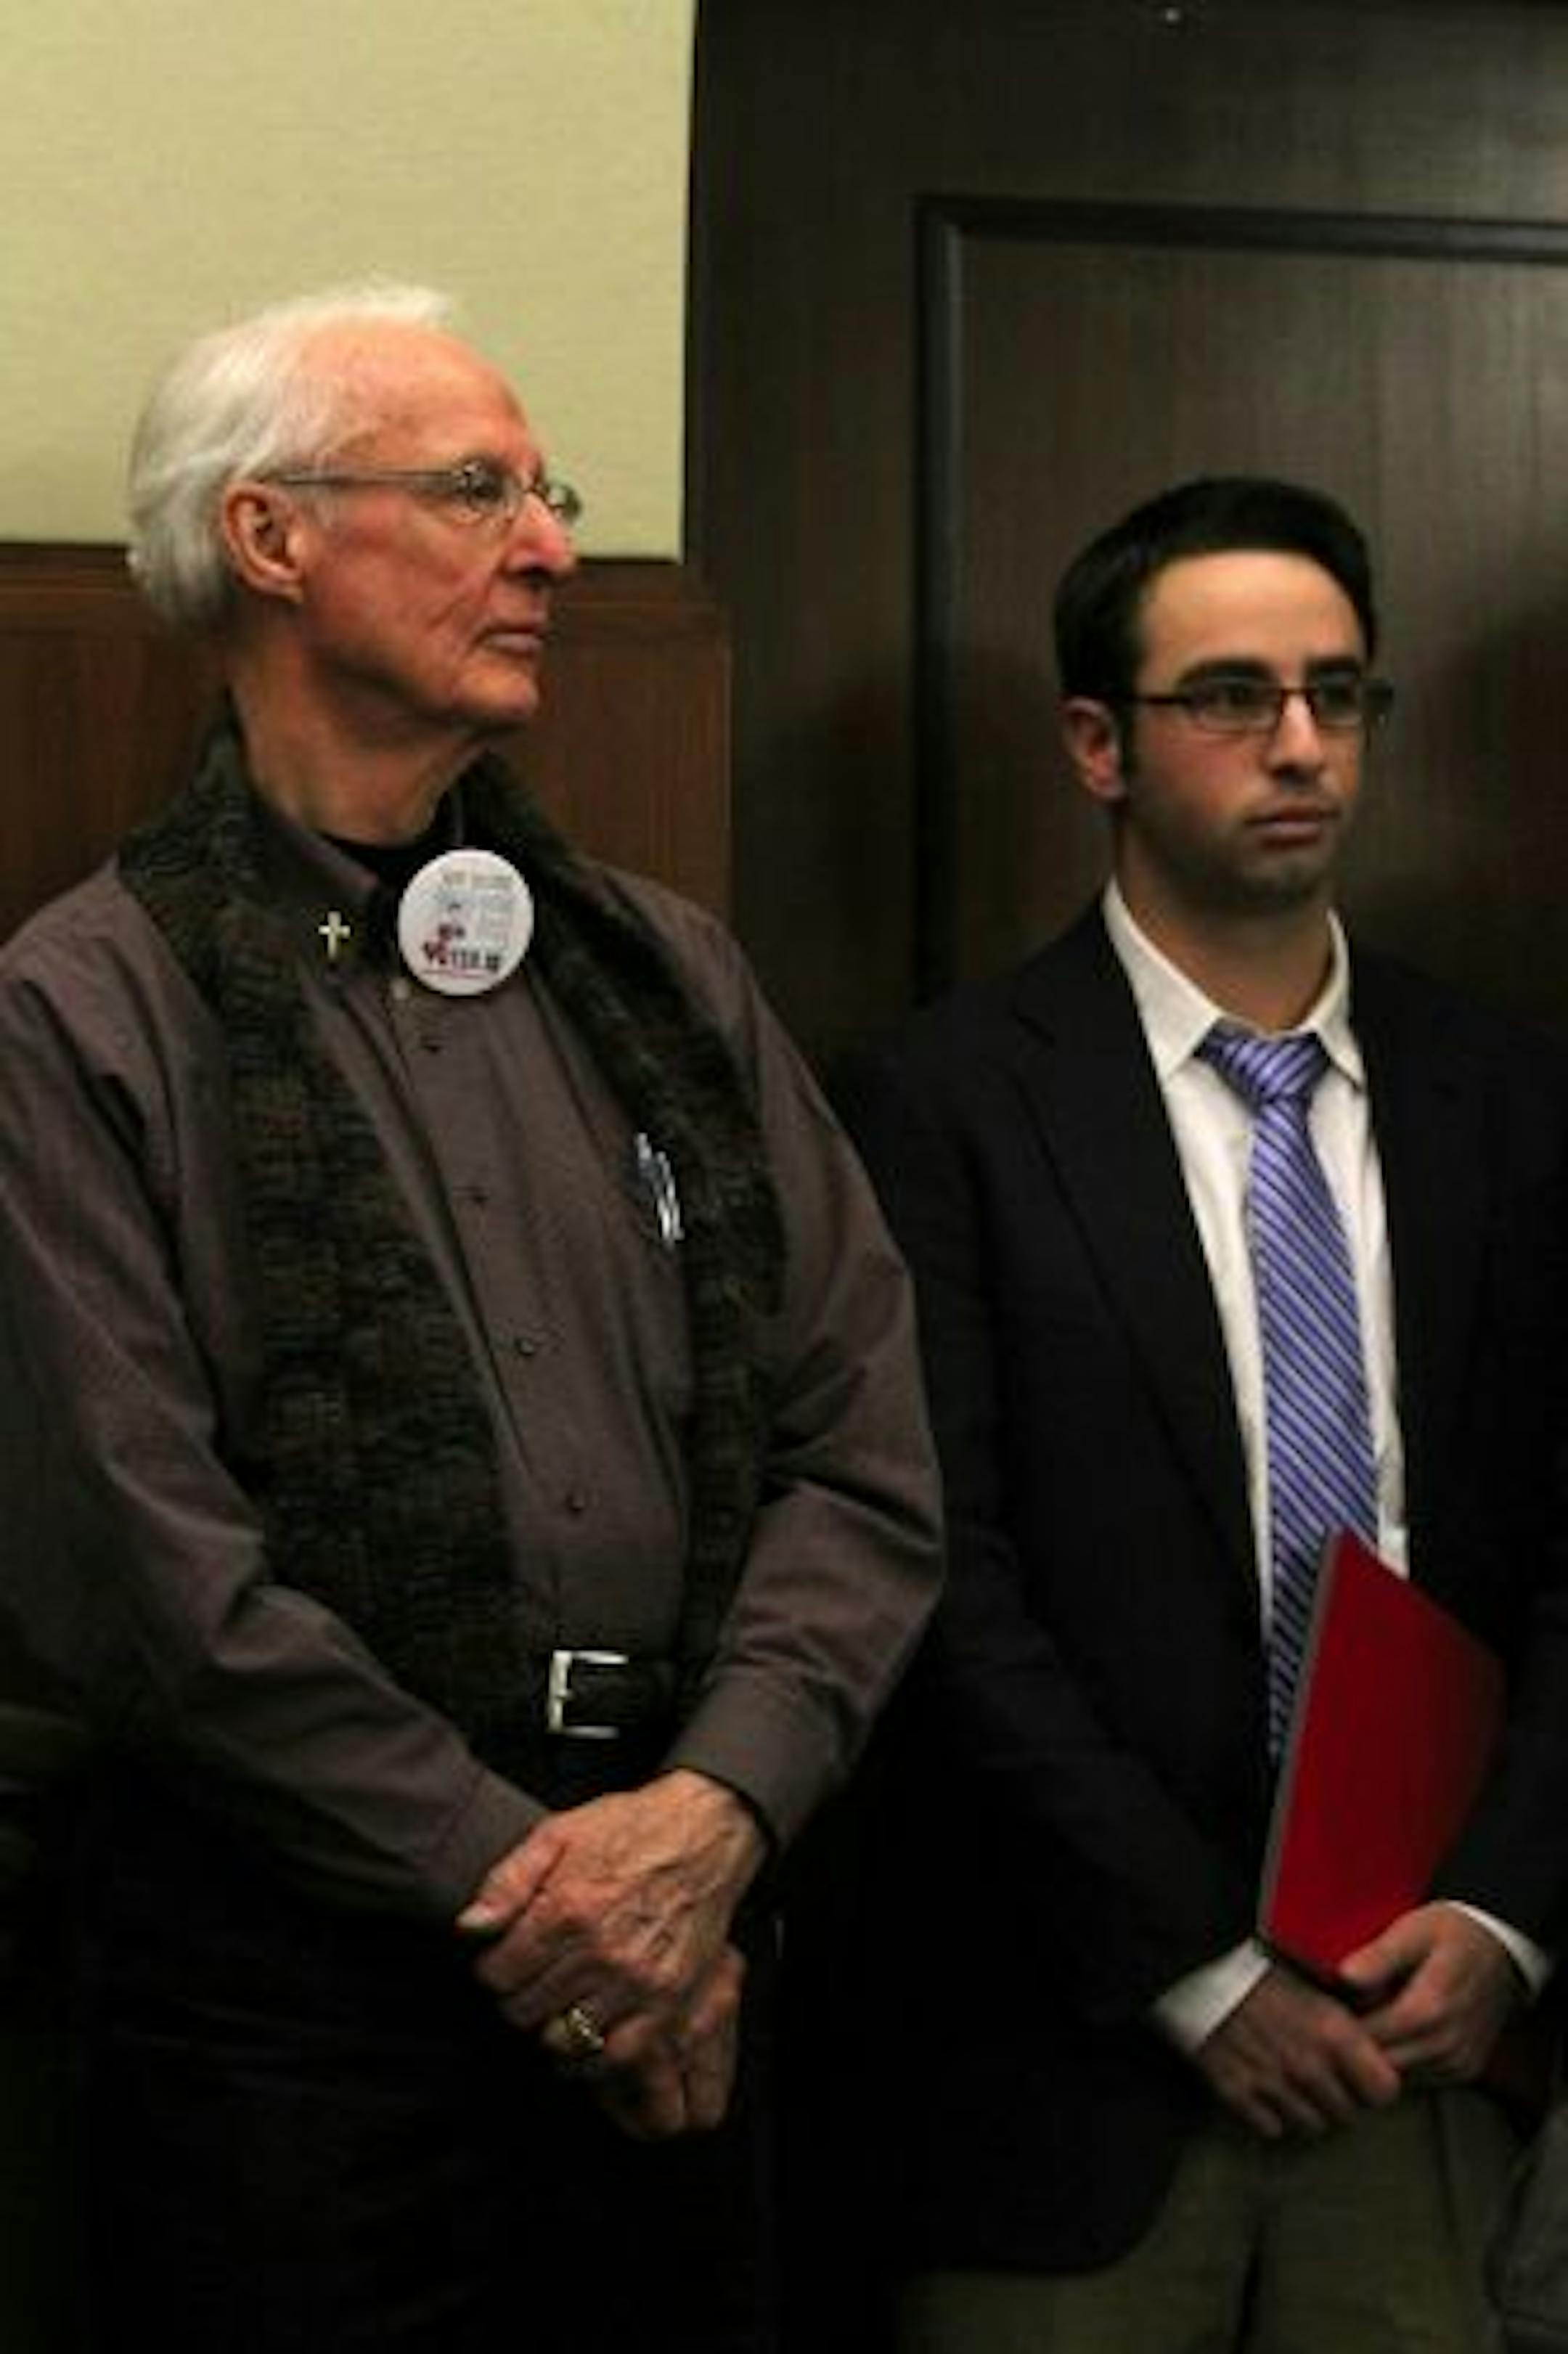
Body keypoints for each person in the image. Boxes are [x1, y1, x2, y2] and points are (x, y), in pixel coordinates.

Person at [0, 282, 942, 2354]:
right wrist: (561, 1908)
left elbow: (864, 1447)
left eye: (548, 492)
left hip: (702, 1941)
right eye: (475, 488)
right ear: (270, 542)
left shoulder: (666, 976)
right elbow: (147, 1583)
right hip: (293, 2025)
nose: (550, 544)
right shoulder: (80, 1012)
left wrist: (707, 1830)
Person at [836, 476, 1568, 2350]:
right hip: (1075, 2057)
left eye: (1341, 692)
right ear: (1098, 742)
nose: (1304, 744)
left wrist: (1502, 1918)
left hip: (1424, 2050)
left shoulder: (1503, 1091)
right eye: (1233, 695)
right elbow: (937, 1575)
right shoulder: (946, 1101)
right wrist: (1194, 1961)